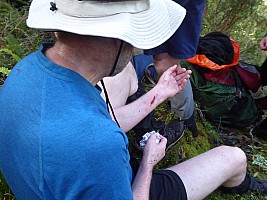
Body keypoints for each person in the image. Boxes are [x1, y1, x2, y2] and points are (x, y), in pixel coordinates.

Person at [0, 1, 266, 200]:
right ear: (117, 39)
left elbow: (94, 126)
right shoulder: (99, 143)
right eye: (137, 39)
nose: (138, 50)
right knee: (233, 157)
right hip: (124, 188)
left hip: (43, 183)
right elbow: (98, 141)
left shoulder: (27, 68)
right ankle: (243, 187)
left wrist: (160, 93)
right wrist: (149, 160)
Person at [143, 0, 207, 138]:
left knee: (167, 67)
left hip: (178, 9)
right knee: (166, 67)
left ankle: (184, 118)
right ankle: (184, 116)